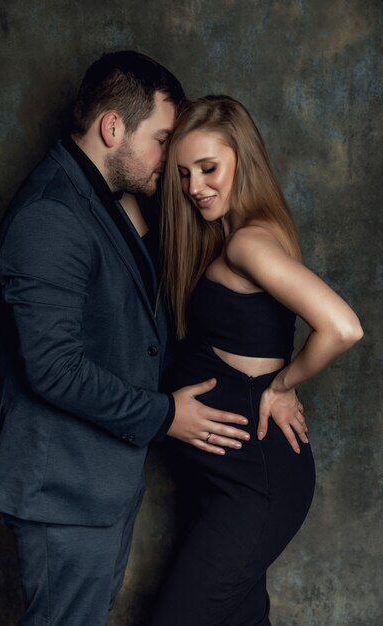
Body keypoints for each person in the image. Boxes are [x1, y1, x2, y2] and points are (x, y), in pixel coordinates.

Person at [0, 55, 250, 626]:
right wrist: (163, 415)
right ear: (111, 128)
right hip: (63, 490)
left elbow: (140, 322)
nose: (170, 157)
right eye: (161, 139)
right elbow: (53, 369)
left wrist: (273, 383)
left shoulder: (106, 197)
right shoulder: (51, 215)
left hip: (97, 483)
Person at [151, 95, 364, 626]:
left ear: (241, 160)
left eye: (209, 168)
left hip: (255, 480)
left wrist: (282, 384)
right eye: (183, 173)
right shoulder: (236, 235)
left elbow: (342, 327)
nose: (194, 187)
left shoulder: (249, 242)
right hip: (229, 477)